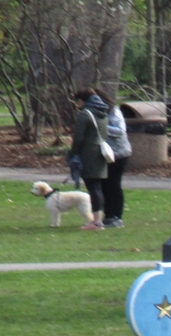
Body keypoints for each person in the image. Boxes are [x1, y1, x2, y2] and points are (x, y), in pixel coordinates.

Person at [68, 88, 111, 231]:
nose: (77, 104)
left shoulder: (85, 114)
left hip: (88, 154)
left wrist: (72, 153)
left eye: (78, 101)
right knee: (97, 187)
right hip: (100, 153)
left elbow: (78, 138)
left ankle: (96, 223)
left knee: (93, 188)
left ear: (82, 100)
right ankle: (98, 220)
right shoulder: (103, 113)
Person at [94, 88, 132, 228]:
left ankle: (117, 216)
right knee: (104, 185)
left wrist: (102, 127)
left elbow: (120, 131)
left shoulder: (114, 111)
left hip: (119, 153)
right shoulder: (94, 113)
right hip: (104, 154)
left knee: (114, 185)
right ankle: (108, 215)